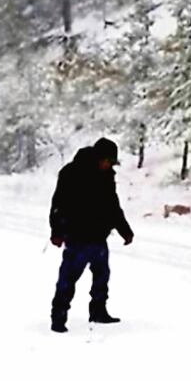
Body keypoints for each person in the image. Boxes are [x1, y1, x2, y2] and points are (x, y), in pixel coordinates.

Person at [49, 137, 134, 333]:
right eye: (108, 161)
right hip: (76, 237)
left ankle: (98, 311)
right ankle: (58, 317)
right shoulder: (71, 173)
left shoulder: (107, 176)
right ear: (99, 157)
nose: (109, 165)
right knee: (68, 279)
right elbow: (58, 205)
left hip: (98, 236)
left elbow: (113, 206)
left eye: (112, 162)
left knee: (102, 277)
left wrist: (125, 231)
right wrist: (56, 232)